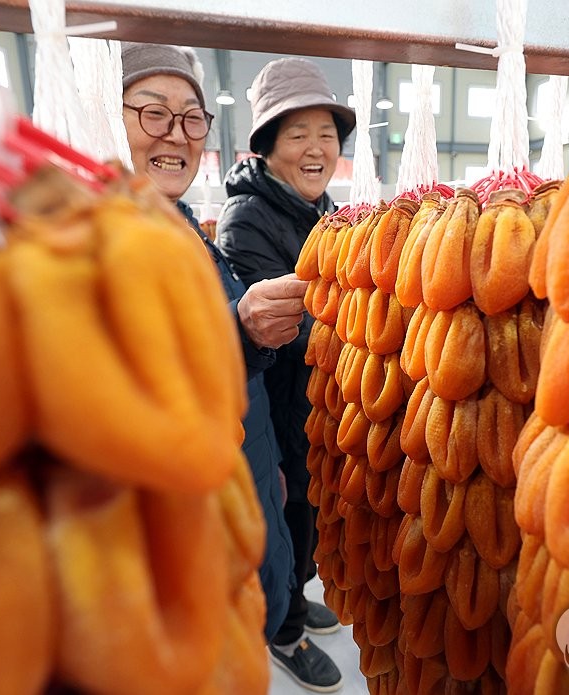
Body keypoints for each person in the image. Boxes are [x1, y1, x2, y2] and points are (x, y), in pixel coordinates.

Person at [120, 42, 307, 643]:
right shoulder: (97, 246)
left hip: (246, 485)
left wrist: (269, 458)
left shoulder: (186, 233)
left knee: (259, 611)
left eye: (191, 117)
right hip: (190, 538)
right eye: (153, 112)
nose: (176, 135)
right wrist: (243, 327)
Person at [217, 57, 355, 693]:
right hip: (278, 407)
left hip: (316, 406)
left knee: (311, 516)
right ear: (268, 148)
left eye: (326, 134)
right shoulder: (248, 218)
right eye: (297, 134)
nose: (316, 148)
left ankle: (299, 595)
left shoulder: (322, 209)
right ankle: (287, 632)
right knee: (289, 515)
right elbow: (292, 327)